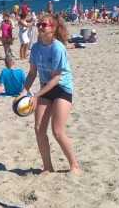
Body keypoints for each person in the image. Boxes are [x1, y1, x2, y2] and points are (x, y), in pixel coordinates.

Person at [23, 14, 81, 174]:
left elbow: (56, 78)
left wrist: (35, 96)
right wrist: (23, 92)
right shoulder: (35, 47)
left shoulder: (58, 48)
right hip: (45, 88)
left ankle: (74, 165)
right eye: (39, 25)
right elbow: (32, 73)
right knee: (39, 129)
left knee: (57, 131)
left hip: (62, 88)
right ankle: (47, 167)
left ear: (53, 28)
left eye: (44, 25)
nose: (40, 28)